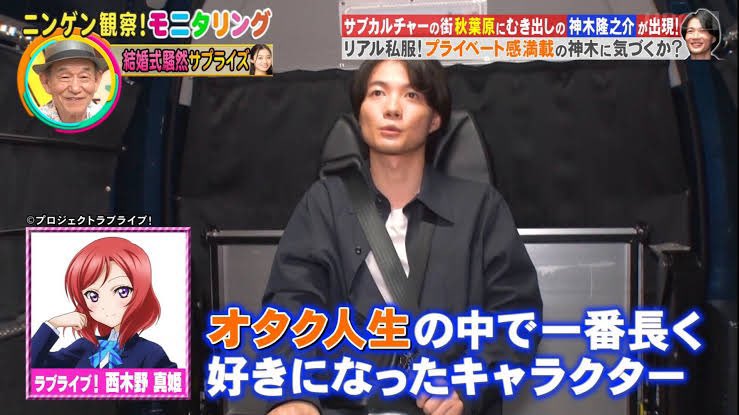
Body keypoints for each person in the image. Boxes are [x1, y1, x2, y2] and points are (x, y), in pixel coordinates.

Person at [262, 59, 542, 415]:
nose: (392, 108)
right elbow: (289, 306)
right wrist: (293, 396)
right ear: (360, 112)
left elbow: (517, 315)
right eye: (377, 93)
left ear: (435, 119)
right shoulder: (324, 205)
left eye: (411, 95)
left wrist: (467, 385)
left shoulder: (482, 209)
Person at [31, 237, 176, 369]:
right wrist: (54, 323)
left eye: (122, 291)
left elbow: (171, 387)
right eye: (93, 295)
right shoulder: (85, 347)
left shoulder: (150, 353)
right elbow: (30, 366)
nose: (106, 306)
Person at [31, 39, 106, 123]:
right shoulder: (33, 123)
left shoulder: (107, 120)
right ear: (46, 82)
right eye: (65, 77)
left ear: (96, 80)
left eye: (84, 76)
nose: (75, 88)